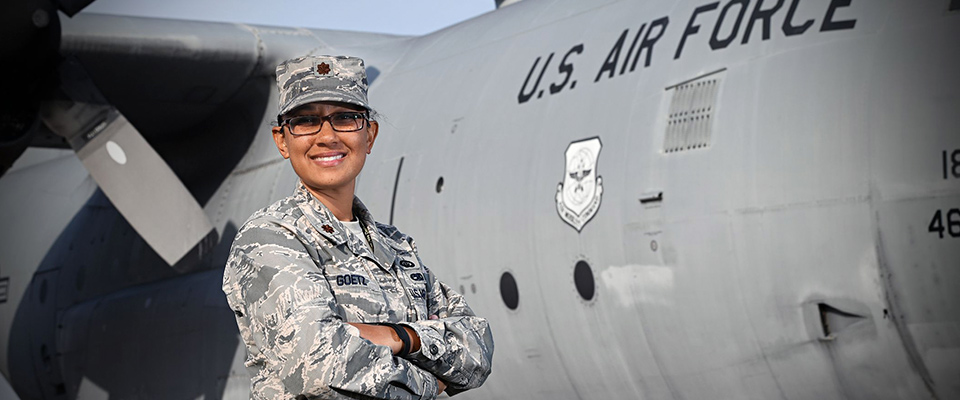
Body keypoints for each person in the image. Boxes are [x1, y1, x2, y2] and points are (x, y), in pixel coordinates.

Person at [222, 55, 494, 400]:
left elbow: (477, 347)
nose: (327, 136)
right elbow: (321, 369)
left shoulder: (395, 247)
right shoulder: (270, 239)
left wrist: (399, 336)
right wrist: (430, 382)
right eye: (306, 121)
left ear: (370, 135)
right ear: (282, 140)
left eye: (346, 118)